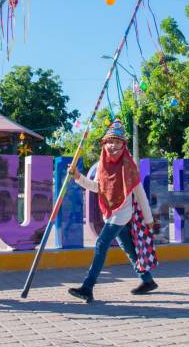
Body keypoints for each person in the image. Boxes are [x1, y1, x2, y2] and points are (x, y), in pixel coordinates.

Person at [67, 119, 158, 303]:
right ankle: (147, 280)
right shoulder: (102, 166)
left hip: (122, 214)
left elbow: (140, 195)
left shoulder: (129, 166)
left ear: (123, 145)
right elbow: (97, 187)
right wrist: (78, 177)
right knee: (128, 247)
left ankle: (88, 287)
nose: (113, 146)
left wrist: (149, 219)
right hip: (110, 213)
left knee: (101, 244)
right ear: (104, 144)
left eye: (117, 142)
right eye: (110, 142)